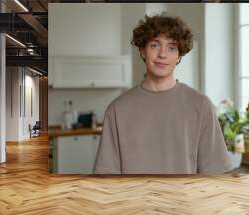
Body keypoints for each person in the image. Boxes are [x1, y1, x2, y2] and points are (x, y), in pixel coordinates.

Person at [94, 13, 233, 175]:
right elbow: (106, 178)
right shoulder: (117, 109)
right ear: (142, 50)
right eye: (154, 45)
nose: (162, 54)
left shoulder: (201, 105)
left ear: (179, 55)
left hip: (184, 200)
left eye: (171, 47)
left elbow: (215, 176)